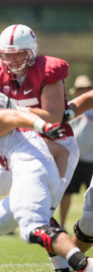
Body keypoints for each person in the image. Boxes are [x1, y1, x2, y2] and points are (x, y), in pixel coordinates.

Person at [0, 24, 79, 272]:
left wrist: (8, 108)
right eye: (8, 54)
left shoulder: (49, 71)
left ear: (32, 52)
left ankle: (65, 266)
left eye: (19, 53)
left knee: (40, 211)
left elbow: (53, 116)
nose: (13, 59)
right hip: (17, 147)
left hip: (55, 147)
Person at [0, 108, 93, 272]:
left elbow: (12, 115)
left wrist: (42, 126)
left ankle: (84, 265)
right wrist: (56, 183)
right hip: (34, 174)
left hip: (31, 174)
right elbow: (61, 151)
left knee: (33, 228)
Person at [62, 88, 93, 255]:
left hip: (90, 158)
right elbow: (88, 98)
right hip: (77, 157)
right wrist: (64, 115)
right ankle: (73, 262)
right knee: (90, 220)